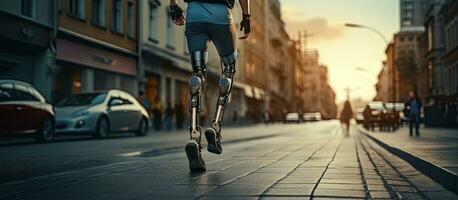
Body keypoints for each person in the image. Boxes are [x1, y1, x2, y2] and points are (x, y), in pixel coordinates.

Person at [170, 0, 251, 171]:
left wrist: (173, 6)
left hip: (194, 15)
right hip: (221, 15)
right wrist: (246, 16)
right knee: (229, 68)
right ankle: (215, 127)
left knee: (198, 73)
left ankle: (194, 136)